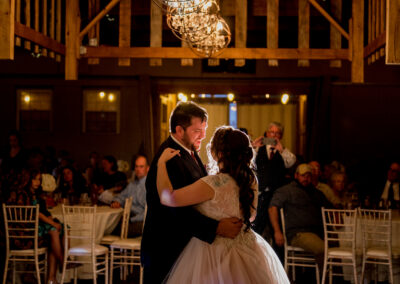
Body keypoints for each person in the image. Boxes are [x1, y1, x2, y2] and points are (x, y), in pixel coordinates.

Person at [157, 126, 289, 283]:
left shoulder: (212, 184)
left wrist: (161, 164)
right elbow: (252, 217)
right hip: (247, 246)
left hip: (213, 252)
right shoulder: (251, 179)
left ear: (218, 154)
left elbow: (168, 198)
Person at [141, 101, 243, 284]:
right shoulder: (169, 157)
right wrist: (217, 227)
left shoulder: (189, 151)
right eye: (197, 131)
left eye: (204, 129)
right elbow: (176, 211)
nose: (203, 136)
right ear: (179, 130)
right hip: (167, 247)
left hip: (185, 247)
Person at [268, 163, 332, 272]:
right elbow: (272, 208)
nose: (306, 178)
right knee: (322, 249)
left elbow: (329, 208)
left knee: (341, 247)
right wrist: (277, 231)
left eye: (308, 175)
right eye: (303, 175)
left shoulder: (316, 193)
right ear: (296, 175)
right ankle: (324, 278)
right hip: (298, 233)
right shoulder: (286, 191)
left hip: (318, 232)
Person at [252, 121, 296, 242]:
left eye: (277, 133)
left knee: (276, 230)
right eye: (272, 132)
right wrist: (254, 146)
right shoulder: (258, 149)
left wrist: (281, 150)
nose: (274, 136)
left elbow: (291, 162)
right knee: (257, 227)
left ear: (281, 136)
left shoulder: (283, 151)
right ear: (267, 133)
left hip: (277, 195)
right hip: (260, 195)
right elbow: (248, 162)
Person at [111, 154, 149, 237]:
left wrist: (130, 220)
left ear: (147, 168)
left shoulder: (150, 186)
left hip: (141, 220)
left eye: (141, 167)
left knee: (111, 228)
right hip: (127, 216)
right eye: (136, 166)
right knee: (109, 226)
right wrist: (116, 201)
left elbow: (149, 212)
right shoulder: (132, 184)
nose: (138, 169)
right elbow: (121, 196)